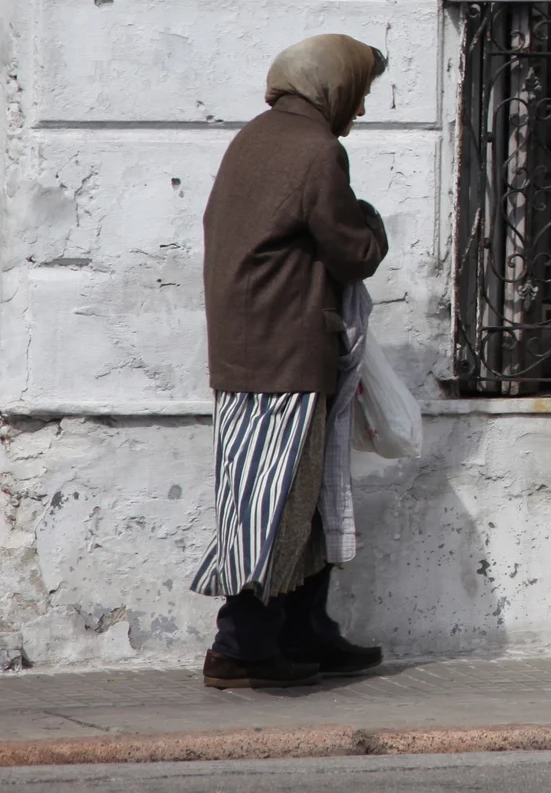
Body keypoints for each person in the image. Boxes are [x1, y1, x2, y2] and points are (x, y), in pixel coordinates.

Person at [191, 35, 391, 688]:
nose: (357, 111)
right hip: (286, 354)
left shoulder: (253, 138)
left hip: (249, 351)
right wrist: (373, 221)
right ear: (331, 88)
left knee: (292, 500)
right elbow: (352, 247)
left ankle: (307, 631)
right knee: (279, 503)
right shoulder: (316, 150)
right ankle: (240, 646)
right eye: (357, 96)